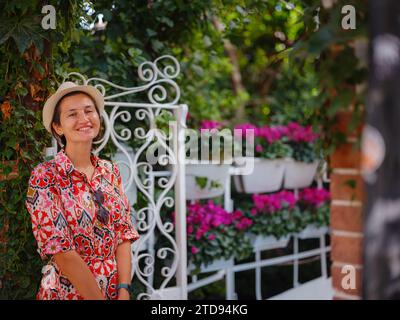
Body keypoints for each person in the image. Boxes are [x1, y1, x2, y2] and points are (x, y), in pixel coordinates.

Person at [25, 81, 140, 300]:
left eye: (89, 111)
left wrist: (124, 289)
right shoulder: (45, 176)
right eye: (72, 114)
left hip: (115, 292)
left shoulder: (110, 171)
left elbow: (123, 234)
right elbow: (61, 251)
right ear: (58, 127)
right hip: (67, 292)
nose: (84, 119)